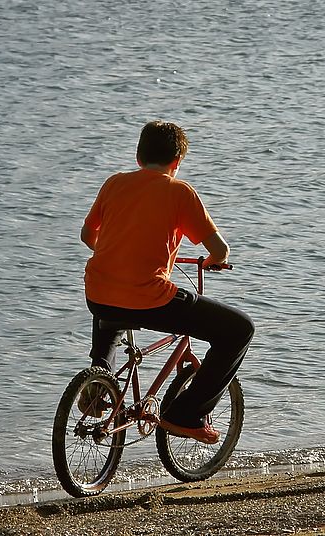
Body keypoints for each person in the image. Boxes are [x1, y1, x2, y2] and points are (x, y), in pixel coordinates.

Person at [80, 120, 254, 444]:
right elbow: (219, 250)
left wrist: (117, 253)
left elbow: (88, 235)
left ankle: (97, 383)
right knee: (239, 330)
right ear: (177, 162)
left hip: (98, 291)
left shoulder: (114, 183)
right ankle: (185, 415)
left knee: (113, 316)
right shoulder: (178, 191)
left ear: (138, 157)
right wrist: (214, 262)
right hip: (150, 297)